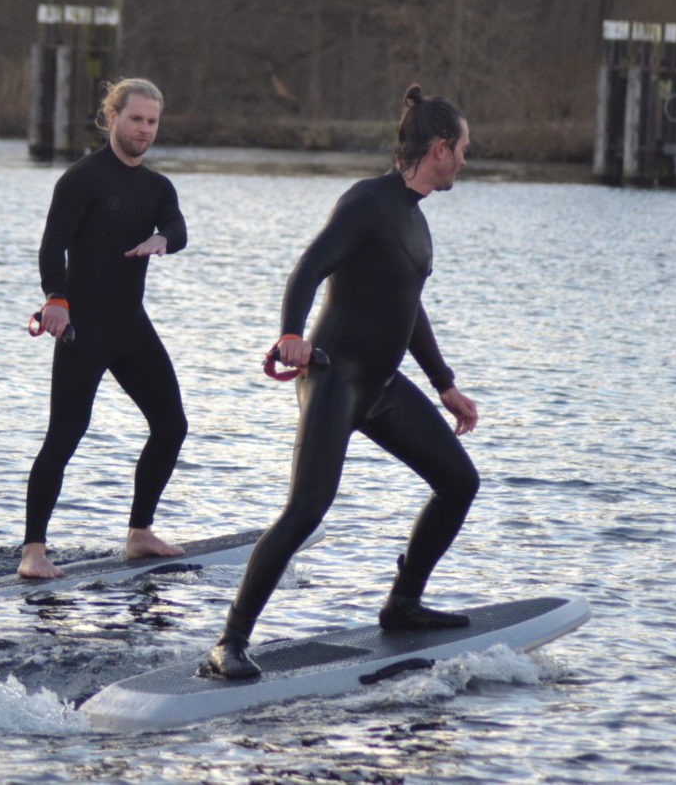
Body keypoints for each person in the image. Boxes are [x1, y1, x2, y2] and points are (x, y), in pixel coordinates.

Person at [201, 84, 481, 679]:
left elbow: (407, 307)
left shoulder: (415, 220)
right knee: (306, 509)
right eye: (462, 149)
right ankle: (228, 643)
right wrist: (290, 333)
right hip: (333, 378)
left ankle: (402, 604)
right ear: (438, 148)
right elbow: (309, 267)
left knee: (459, 481)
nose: (464, 160)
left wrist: (444, 384)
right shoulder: (367, 202)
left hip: (380, 384)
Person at [19, 78, 189, 580]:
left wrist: (162, 239)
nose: (144, 129)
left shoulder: (157, 187)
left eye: (152, 121)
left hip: (130, 326)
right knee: (66, 434)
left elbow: (178, 229)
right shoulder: (82, 179)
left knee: (172, 425)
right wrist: (56, 299)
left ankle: (139, 534)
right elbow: (52, 246)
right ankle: (33, 551)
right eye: (135, 119)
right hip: (84, 327)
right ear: (112, 116)